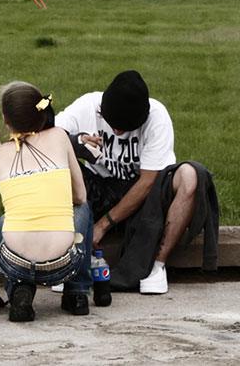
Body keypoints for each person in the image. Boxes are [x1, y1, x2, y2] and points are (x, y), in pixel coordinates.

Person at [55, 70, 213, 295]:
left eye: (125, 128)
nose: (118, 131)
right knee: (57, 164)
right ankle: (68, 262)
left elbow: (148, 182)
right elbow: (46, 135)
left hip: (143, 197)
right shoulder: (88, 105)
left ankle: (156, 267)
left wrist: (102, 225)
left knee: (190, 175)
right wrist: (77, 142)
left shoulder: (157, 117)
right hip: (98, 188)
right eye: (113, 125)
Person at [0, 82, 93, 322]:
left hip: (15, 263)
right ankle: (77, 292)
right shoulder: (59, 137)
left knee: (4, 222)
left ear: (5, 119)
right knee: (83, 209)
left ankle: (18, 289)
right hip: (64, 263)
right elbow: (80, 197)